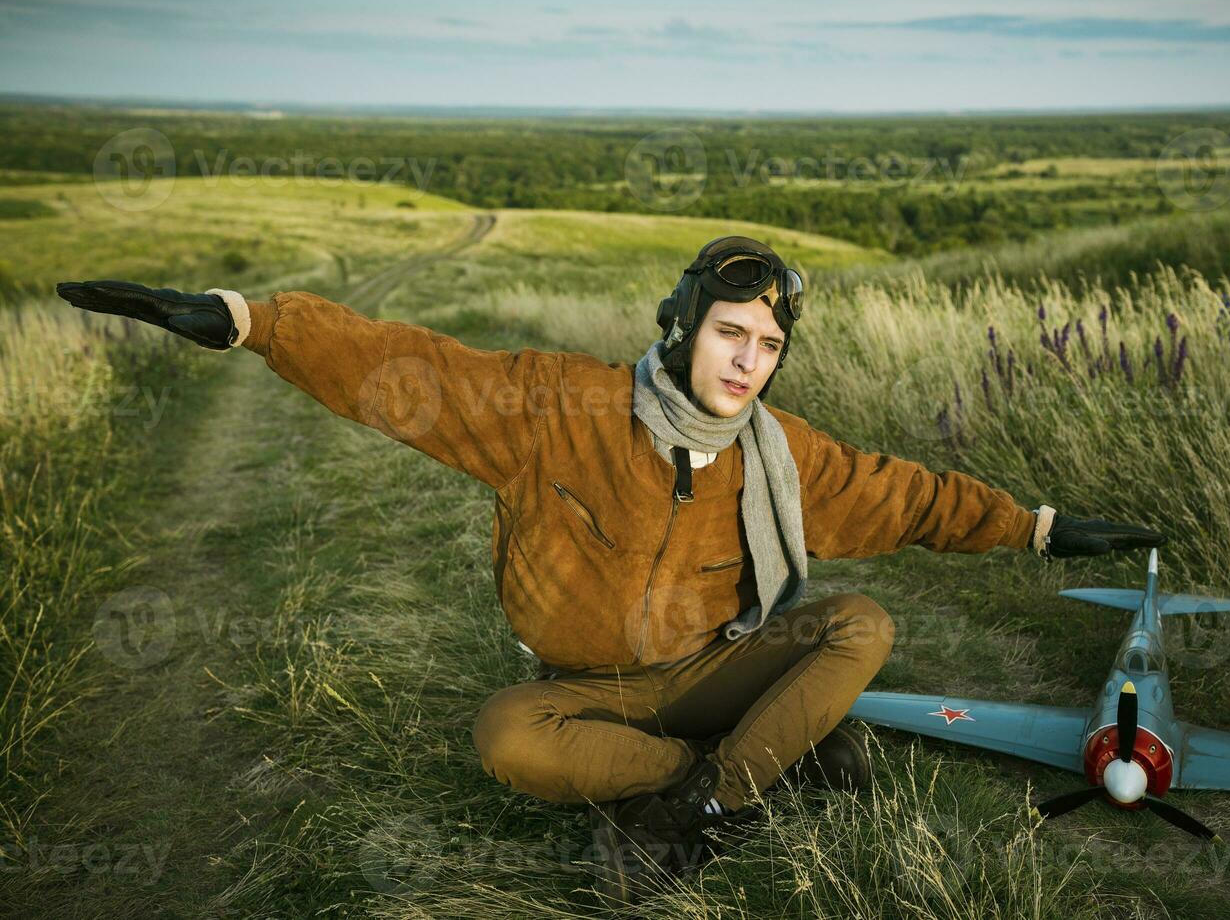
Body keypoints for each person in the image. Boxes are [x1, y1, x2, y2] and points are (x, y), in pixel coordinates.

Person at [55, 235, 1164, 904]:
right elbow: (411, 369)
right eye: (732, 332)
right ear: (684, 325)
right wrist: (252, 321)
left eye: (768, 346)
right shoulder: (561, 407)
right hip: (578, 683)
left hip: (709, 664)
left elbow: (909, 493)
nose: (747, 361)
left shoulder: (783, 454)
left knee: (858, 623)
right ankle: (725, 768)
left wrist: (1038, 526)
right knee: (504, 737)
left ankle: (713, 795)